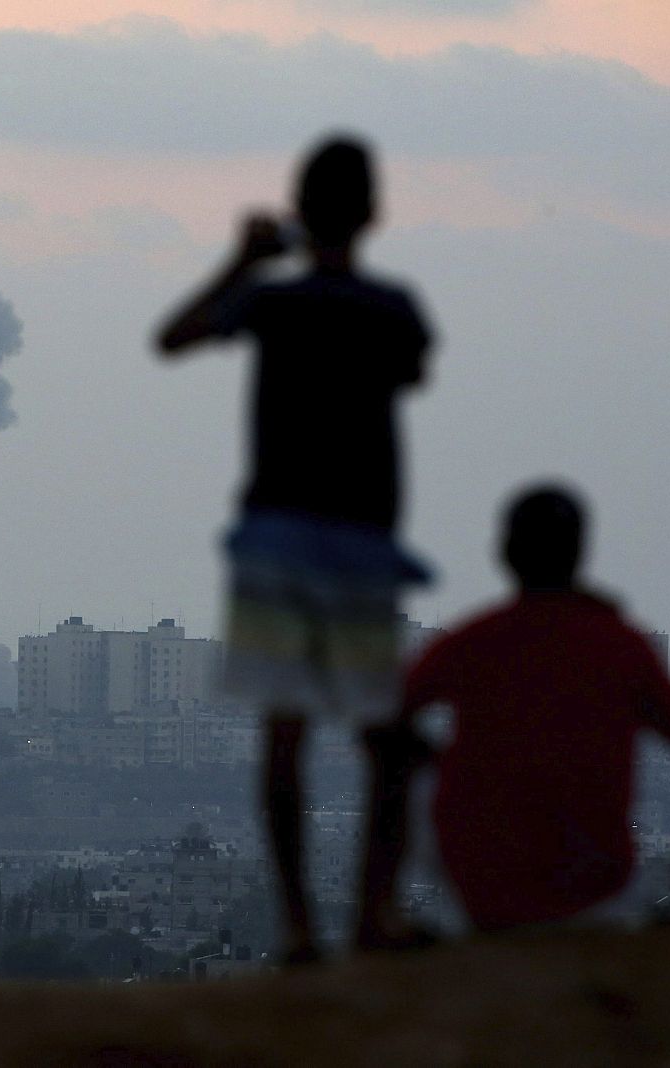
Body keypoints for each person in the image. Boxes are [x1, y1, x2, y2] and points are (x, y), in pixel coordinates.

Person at [156, 135, 435, 963]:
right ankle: (372, 918)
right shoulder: (394, 312)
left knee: (285, 738)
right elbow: (411, 373)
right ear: (375, 214)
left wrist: (242, 260)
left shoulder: (272, 305)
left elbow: (174, 337)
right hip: (361, 544)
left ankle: (299, 928)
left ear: (298, 212)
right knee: (384, 736)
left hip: (275, 538)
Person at [356, 485, 670, 947]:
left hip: (481, 873)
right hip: (595, 880)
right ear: (581, 553)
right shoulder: (619, 643)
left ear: (505, 553)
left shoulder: (475, 640)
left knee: (390, 760)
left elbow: (377, 714)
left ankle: (378, 917)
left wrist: (431, 758)